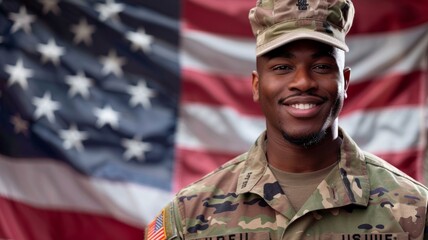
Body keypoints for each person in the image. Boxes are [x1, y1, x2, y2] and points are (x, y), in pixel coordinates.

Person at [145, 0, 428, 239]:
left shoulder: (416, 212)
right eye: (282, 67)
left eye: (321, 66)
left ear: (345, 81)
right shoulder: (189, 217)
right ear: (256, 85)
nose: (303, 82)